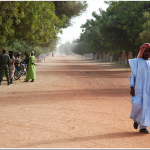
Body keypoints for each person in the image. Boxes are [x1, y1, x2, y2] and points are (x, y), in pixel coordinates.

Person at [129, 43, 150, 134]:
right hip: (138, 88)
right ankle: (136, 120)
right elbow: (132, 76)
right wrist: (131, 87)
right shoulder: (136, 62)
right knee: (137, 105)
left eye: (149, 52)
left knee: (146, 107)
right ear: (142, 52)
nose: (148, 53)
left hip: (148, 90)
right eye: (146, 51)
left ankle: (143, 127)